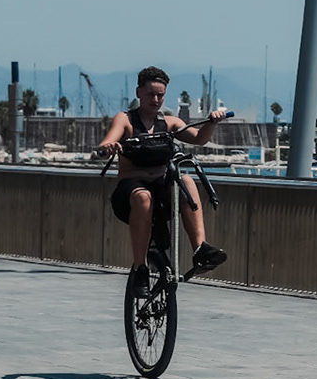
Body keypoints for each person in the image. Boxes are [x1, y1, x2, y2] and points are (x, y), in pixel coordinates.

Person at [95, 66, 228, 289]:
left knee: (186, 180)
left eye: (160, 95)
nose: (155, 99)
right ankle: (141, 269)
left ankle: (200, 248)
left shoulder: (170, 123)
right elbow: (106, 142)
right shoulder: (125, 120)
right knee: (143, 198)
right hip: (130, 194)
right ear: (138, 93)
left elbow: (199, 139)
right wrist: (108, 146)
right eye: (150, 94)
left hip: (162, 192)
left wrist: (211, 123)